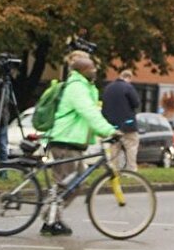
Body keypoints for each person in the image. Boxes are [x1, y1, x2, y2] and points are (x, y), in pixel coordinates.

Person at [41, 55, 117, 236]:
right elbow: (88, 111)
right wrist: (109, 131)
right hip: (65, 141)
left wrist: (102, 131)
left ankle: (51, 218)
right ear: (82, 71)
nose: (95, 71)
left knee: (75, 183)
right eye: (91, 69)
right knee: (66, 184)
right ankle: (50, 221)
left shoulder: (84, 86)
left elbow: (89, 116)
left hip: (73, 142)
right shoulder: (77, 87)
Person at [101, 69, 140, 171]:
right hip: (128, 125)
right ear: (129, 78)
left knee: (114, 149)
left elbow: (104, 107)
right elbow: (136, 103)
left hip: (111, 125)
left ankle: (114, 171)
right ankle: (131, 170)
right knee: (131, 147)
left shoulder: (108, 88)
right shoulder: (128, 87)